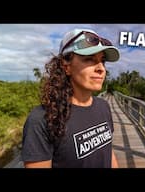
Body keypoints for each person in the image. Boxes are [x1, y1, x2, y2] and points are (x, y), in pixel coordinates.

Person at [21, 28, 120, 168]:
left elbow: (108, 153)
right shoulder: (42, 119)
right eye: (89, 59)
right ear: (66, 66)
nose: (101, 68)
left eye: (102, 61)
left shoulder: (103, 106)